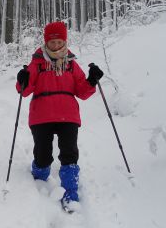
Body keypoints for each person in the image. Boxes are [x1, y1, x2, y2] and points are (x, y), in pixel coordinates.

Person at [15, 21, 103, 210]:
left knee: (69, 154)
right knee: (43, 154)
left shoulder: (71, 64)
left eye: (59, 42)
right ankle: (39, 177)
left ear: (65, 42)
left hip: (68, 115)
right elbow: (24, 91)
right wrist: (22, 79)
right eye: (52, 42)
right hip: (42, 115)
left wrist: (92, 80)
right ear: (46, 42)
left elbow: (82, 91)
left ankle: (71, 193)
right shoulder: (37, 63)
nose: (56, 45)